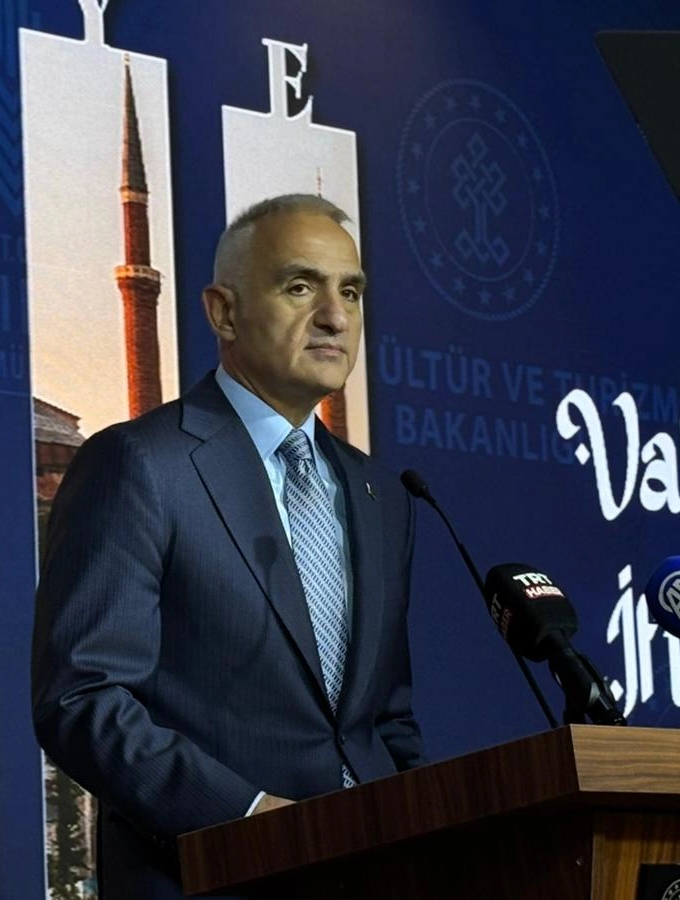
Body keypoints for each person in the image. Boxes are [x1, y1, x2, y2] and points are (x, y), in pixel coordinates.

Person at [32, 193, 422, 897]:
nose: (335, 317)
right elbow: (82, 697)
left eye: (351, 291)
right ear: (223, 313)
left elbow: (386, 719)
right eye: (300, 287)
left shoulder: (382, 495)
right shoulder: (141, 465)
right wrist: (249, 820)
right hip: (212, 876)